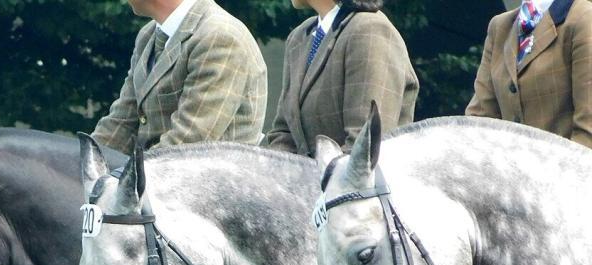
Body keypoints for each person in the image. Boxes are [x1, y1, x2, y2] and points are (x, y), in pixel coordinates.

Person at [91, 0, 267, 154]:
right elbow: (120, 125)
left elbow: (187, 143)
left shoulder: (220, 36)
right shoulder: (148, 35)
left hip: (209, 187)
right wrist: (80, 165)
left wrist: (122, 181)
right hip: (158, 183)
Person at [267, 0, 418, 156]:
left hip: (350, 179)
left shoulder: (370, 30)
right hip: (302, 179)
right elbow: (283, 134)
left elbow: (363, 150)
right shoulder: (299, 37)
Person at [466, 0, 592, 149]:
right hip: (505, 169)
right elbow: (477, 125)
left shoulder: (584, 17)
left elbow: (587, 134)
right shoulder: (499, 26)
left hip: (566, 169)